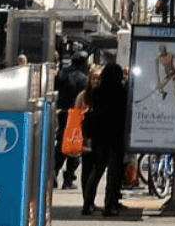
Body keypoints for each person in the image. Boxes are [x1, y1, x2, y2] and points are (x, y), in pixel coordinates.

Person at [82, 62, 128, 216]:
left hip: (99, 135)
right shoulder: (122, 91)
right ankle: (110, 205)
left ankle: (87, 204)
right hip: (116, 134)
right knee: (114, 172)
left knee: (97, 169)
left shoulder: (97, 92)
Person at [53, 51, 89, 189]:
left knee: (62, 143)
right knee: (75, 145)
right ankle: (68, 179)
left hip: (62, 112)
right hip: (78, 114)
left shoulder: (62, 74)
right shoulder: (84, 77)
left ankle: (53, 172)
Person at [75, 65, 103, 214]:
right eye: (94, 78)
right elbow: (75, 114)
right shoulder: (83, 95)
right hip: (86, 136)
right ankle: (87, 202)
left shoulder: (103, 95)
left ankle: (90, 200)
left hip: (98, 136)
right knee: (87, 168)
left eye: (98, 78)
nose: (96, 81)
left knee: (96, 168)